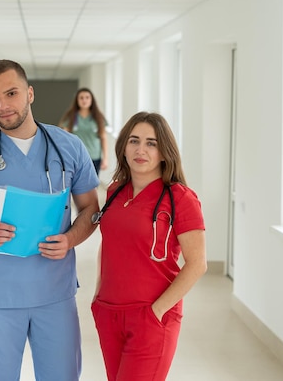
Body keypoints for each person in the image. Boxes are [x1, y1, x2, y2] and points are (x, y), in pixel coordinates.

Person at [0, 59, 100, 381]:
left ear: (30, 93)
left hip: (54, 294)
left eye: (11, 93)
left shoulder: (69, 147)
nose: (2, 106)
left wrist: (70, 239)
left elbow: (91, 210)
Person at [91, 112, 207, 381]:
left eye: (151, 143)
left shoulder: (180, 198)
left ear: (165, 152)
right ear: (124, 147)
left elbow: (197, 263)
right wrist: (98, 297)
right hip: (108, 313)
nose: (140, 149)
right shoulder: (115, 191)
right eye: (134, 140)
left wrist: (156, 312)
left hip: (152, 316)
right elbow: (109, 243)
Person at [59, 87, 108, 176]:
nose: (84, 100)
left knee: (92, 186)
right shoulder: (71, 117)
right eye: (81, 98)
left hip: (94, 157)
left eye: (87, 97)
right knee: (78, 187)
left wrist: (105, 158)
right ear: (77, 100)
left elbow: (103, 138)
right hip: (77, 157)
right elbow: (64, 138)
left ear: (91, 100)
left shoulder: (98, 117)